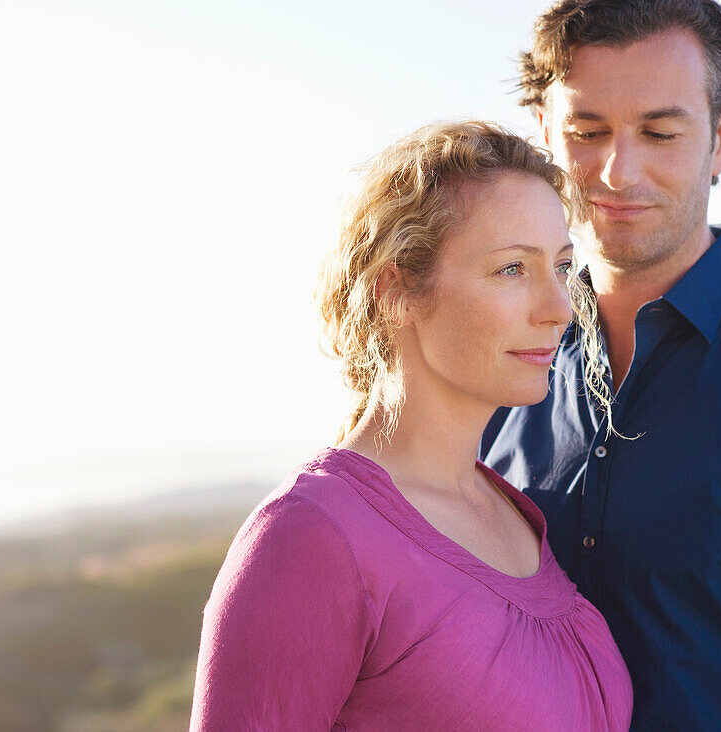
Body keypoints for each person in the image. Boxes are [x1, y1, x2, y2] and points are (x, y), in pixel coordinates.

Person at [191, 121, 633, 730]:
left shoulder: (516, 512)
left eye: (561, 267)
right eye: (512, 269)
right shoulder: (312, 537)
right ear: (396, 291)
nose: (559, 309)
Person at [480, 1, 721, 729]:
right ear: (546, 136)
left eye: (659, 132)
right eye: (588, 133)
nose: (619, 171)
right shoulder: (495, 371)